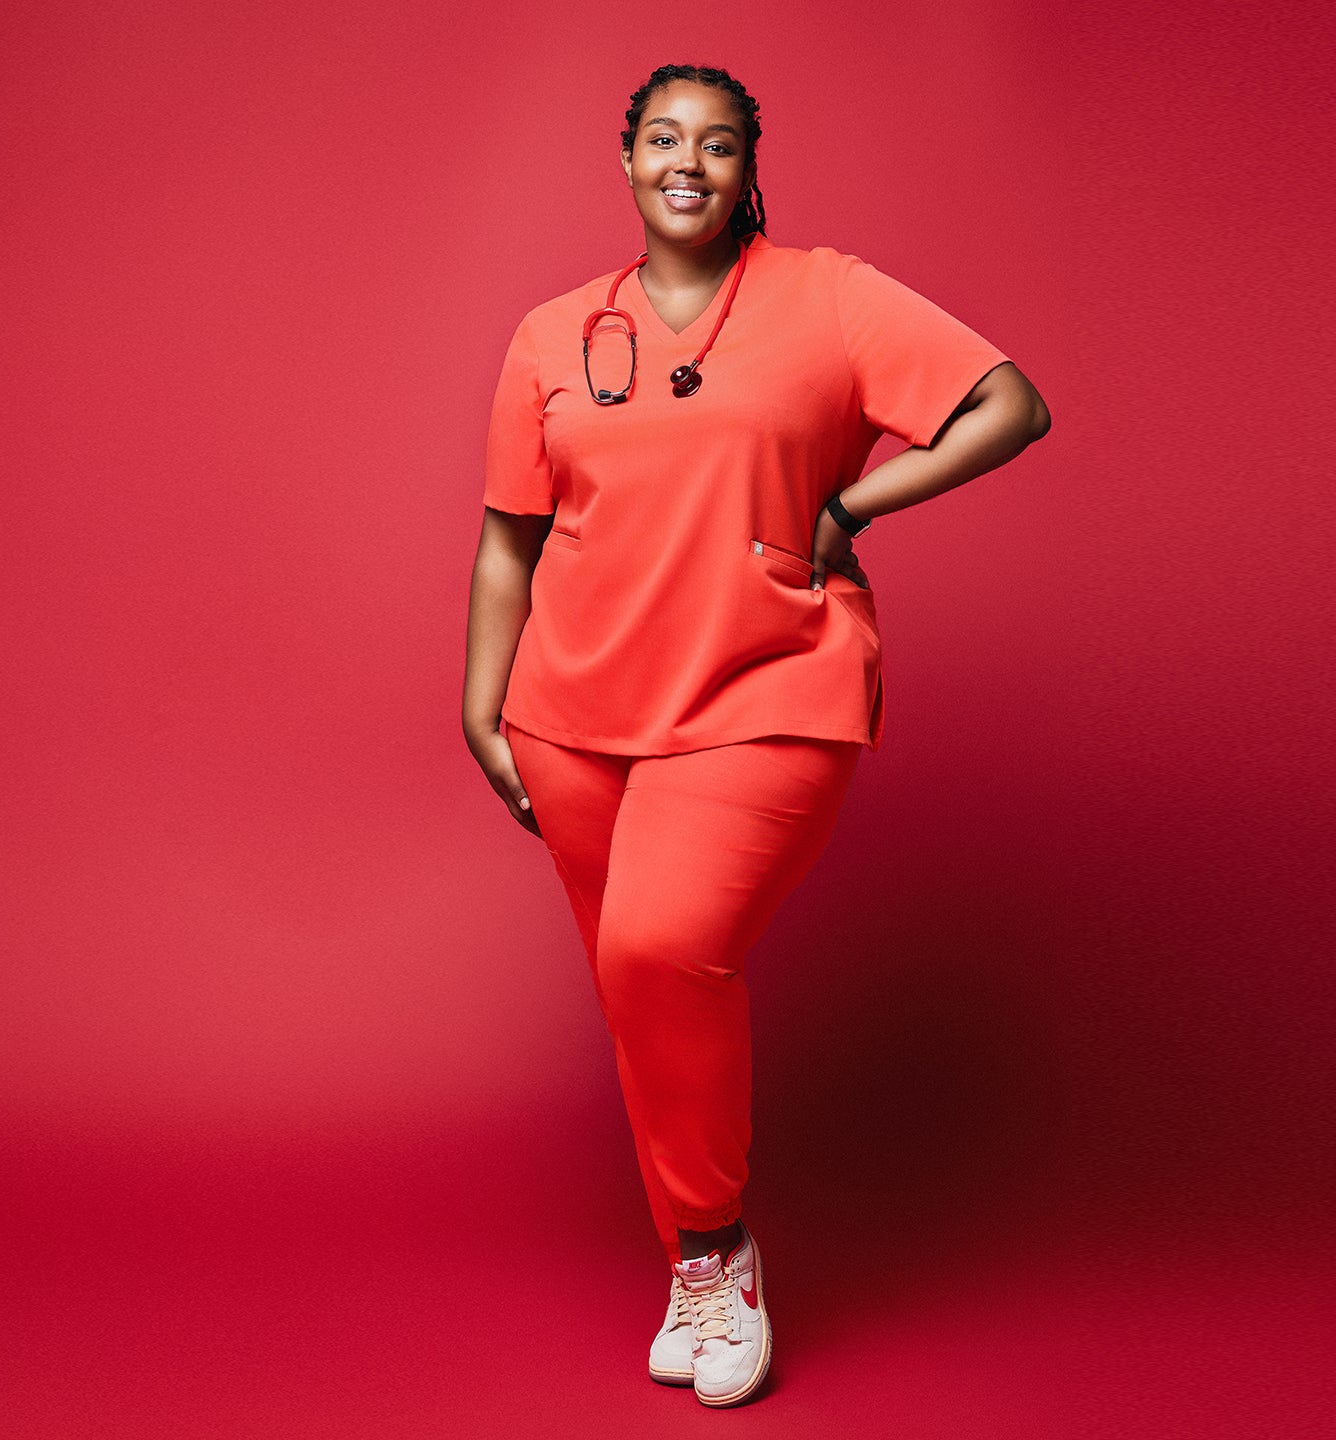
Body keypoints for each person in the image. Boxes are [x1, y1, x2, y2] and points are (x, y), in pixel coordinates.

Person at [463, 63, 1050, 1408]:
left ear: (745, 167)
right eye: (663, 139)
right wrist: (480, 698)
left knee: (664, 945)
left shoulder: (828, 296)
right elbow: (509, 539)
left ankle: (720, 1260)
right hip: (573, 713)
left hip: (768, 687)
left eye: (716, 144)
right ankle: (696, 1264)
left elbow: (1008, 401)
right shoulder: (552, 332)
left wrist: (856, 504)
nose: (689, 163)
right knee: (640, 996)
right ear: (624, 161)